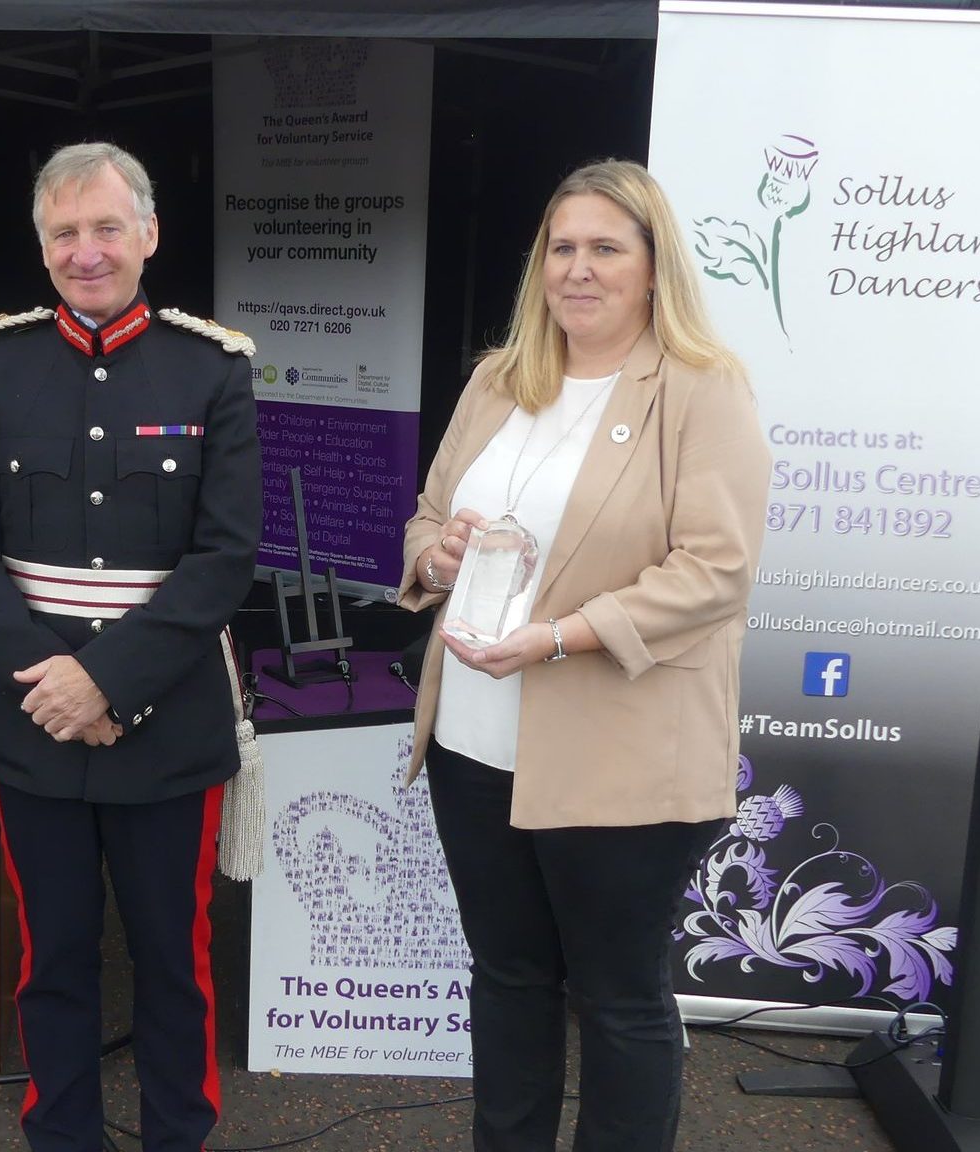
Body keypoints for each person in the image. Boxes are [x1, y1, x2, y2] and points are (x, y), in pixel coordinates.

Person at [399, 158, 769, 1152]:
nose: (577, 268)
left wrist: (561, 636)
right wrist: (434, 553)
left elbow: (714, 569)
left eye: (605, 247)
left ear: (653, 268)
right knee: (508, 978)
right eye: (560, 247)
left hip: (619, 754)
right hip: (474, 743)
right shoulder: (496, 381)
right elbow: (429, 517)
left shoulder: (698, 391)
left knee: (616, 997)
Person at [0, 141, 260, 1152]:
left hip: (164, 721)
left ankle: (176, 1136)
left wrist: (108, 682)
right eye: (65, 233)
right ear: (42, 250)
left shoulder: (211, 369)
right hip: (31, 720)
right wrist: (54, 686)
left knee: (173, 959)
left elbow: (223, 557)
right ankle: (61, 1136)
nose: (86, 252)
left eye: (105, 228)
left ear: (148, 234)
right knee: (53, 959)